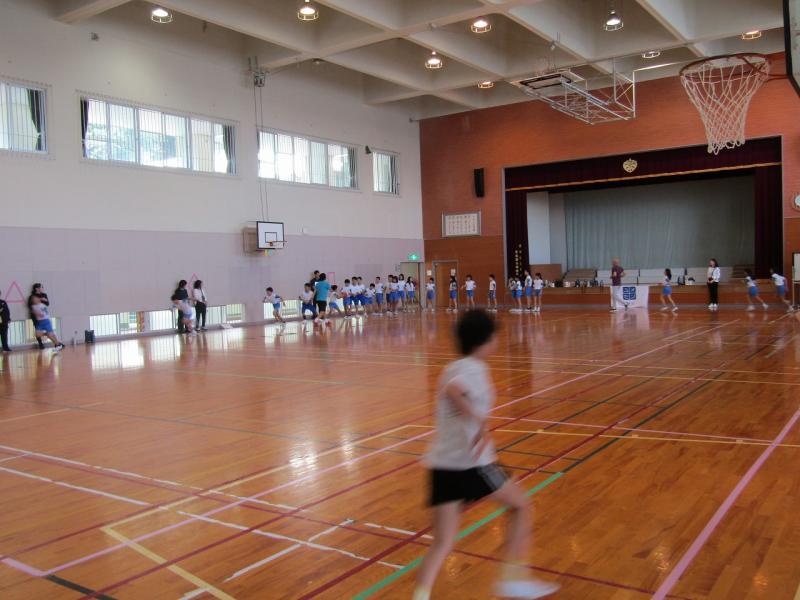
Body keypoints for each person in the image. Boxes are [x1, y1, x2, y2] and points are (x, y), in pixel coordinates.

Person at [412, 310, 560, 600]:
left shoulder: (452, 367)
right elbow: (454, 391)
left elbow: (452, 388)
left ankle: (420, 597)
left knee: (442, 542)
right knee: (521, 507)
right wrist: (479, 421)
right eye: (494, 336)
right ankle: (513, 580)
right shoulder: (473, 369)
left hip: (442, 465)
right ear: (486, 340)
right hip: (474, 465)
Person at [27, 283, 49, 349]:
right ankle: (40, 343)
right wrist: (37, 313)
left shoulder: (44, 295)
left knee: (49, 329)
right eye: (41, 287)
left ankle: (56, 343)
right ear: (36, 288)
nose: (42, 288)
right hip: (36, 316)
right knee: (38, 330)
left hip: (44, 316)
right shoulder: (32, 297)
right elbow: (30, 306)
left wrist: (43, 300)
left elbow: (47, 304)